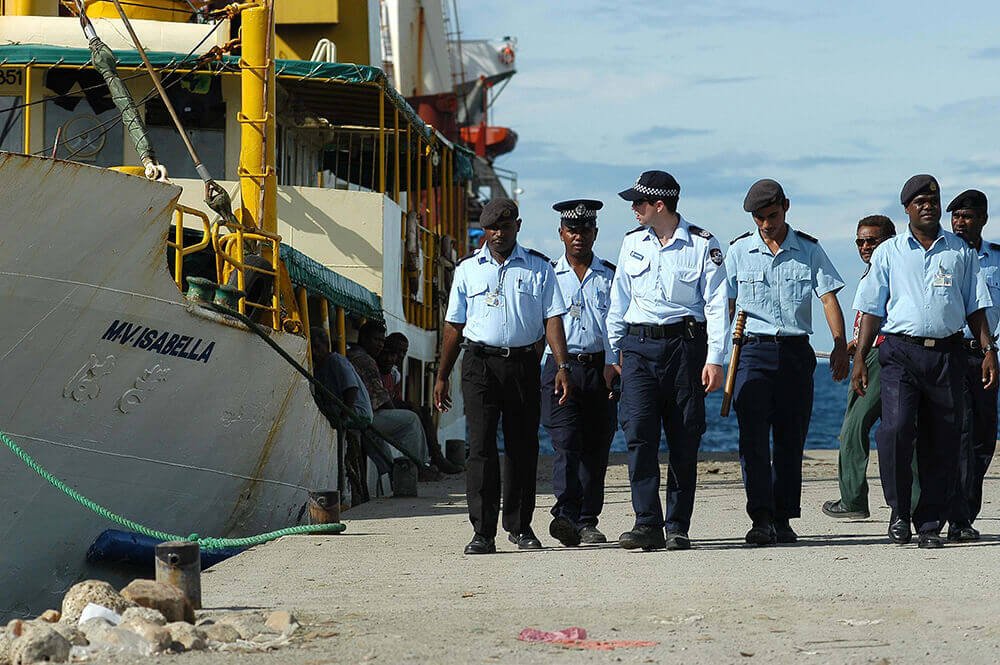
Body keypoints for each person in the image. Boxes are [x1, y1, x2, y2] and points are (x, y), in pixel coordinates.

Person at [852, 174, 997, 549]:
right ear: (907, 209)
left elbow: (976, 307)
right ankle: (900, 513)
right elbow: (870, 309)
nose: (929, 206)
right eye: (920, 201)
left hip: (948, 354)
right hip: (900, 352)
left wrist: (988, 351)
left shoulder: (960, 252)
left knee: (944, 440)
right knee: (896, 430)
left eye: (933, 201)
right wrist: (859, 361)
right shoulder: (888, 253)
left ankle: (929, 523)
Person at [434, 198, 573, 555]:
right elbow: (454, 324)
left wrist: (561, 365)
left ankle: (520, 526)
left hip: (524, 364)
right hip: (479, 365)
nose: (497, 234)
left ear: (518, 226)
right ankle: (483, 532)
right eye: (491, 228)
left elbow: (553, 318)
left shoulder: (539, 268)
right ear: (484, 229)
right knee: (480, 448)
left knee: (522, 448)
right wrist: (441, 375)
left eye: (505, 227)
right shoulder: (467, 269)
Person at [607, 171, 728, 551]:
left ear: (659, 205)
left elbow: (717, 305)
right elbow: (619, 300)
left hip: (684, 348)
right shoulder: (630, 243)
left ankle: (677, 524)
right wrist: (613, 354)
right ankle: (646, 522)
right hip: (639, 346)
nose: (633, 208)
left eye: (639, 202)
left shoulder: (703, 245)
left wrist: (716, 359)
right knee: (639, 433)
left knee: (684, 436)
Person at [726, 178, 849, 546]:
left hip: (796, 352)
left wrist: (840, 345)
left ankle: (783, 518)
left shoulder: (809, 249)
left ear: (787, 207)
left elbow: (827, 298)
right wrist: (717, 354)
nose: (766, 224)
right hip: (751, 352)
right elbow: (724, 305)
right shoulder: (738, 252)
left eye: (772, 215)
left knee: (790, 440)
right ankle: (760, 517)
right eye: (759, 218)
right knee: (752, 440)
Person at [542, 199, 618, 547]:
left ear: (595, 232)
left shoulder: (611, 275)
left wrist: (615, 364)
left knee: (596, 448)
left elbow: (619, 324)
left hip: (600, 368)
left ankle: (588, 520)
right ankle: (565, 514)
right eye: (572, 230)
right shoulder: (547, 275)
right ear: (561, 233)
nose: (579, 236)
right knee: (566, 442)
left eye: (585, 230)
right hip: (561, 368)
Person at [823, 216, 902, 520]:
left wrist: (863, 352)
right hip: (868, 353)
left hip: (883, 357)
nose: (866, 246)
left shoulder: (894, 272)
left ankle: (853, 500)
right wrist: (853, 345)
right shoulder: (874, 272)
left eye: (873, 240)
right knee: (898, 429)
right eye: (860, 241)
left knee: (855, 428)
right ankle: (914, 501)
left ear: (890, 240)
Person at [946, 189, 1000, 541]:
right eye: (956, 216)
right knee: (960, 435)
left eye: (966, 216)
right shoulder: (945, 255)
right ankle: (959, 518)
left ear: (982, 218)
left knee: (983, 437)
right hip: (951, 352)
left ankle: (967, 509)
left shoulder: (995, 259)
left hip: (987, 355)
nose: (959, 223)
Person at [347, 320, 437, 480]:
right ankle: (420, 467)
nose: (380, 345)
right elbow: (382, 400)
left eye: (382, 340)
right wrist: (398, 416)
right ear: (364, 338)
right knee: (411, 420)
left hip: (358, 420)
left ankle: (404, 474)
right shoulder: (365, 360)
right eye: (376, 340)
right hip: (363, 419)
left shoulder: (354, 355)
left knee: (402, 425)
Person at [376, 332, 462, 474]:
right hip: (380, 412)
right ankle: (426, 462)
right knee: (415, 416)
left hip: (388, 409)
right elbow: (384, 401)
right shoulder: (380, 369)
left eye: (404, 352)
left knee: (424, 412)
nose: (401, 356)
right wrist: (409, 407)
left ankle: (435, 456)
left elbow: (394, 398)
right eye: (397, 351)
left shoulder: (394, 373)